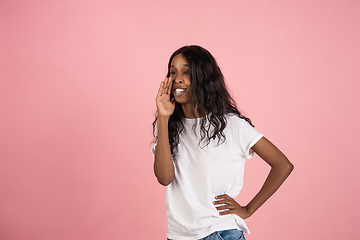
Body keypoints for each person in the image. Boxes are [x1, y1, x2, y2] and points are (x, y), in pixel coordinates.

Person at [152, 45, 294, 240]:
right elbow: (164, 178)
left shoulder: (232, 125)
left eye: (186, 71)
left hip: (219, 232)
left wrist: (248, 209)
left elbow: (283, 165)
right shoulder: (167, 124)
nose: (177, 78)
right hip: (178, 235)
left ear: (203, 77)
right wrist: (162, 117)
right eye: (173, 71)